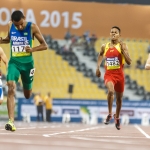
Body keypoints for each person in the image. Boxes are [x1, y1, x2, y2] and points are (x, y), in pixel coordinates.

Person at [0, 10, 48, 131]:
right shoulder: (10, 25)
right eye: (17, 25)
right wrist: (1, 40)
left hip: (28, 65)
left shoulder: (32, 27)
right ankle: (11, 122)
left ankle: (28, 85)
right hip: (14, 62)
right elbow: (8, 39)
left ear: (24, 18)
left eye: (21, 24)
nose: (19, 27)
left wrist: (32, 49)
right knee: (11, 87)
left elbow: (44, 45)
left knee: (27, 95)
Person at [96, 26, 131, 130]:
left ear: (119, 35)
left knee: (119, 99)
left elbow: (129, 62)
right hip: (109, 75)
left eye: (115, 32)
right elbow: (100, 55)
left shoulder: (123, 46)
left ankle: (117, 117)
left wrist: (123, 51)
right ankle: (110, 114)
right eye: (111, 32)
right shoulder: (104, 46)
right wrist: (97, 67)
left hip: (120, 75)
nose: (113, 34)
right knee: (111, 91)